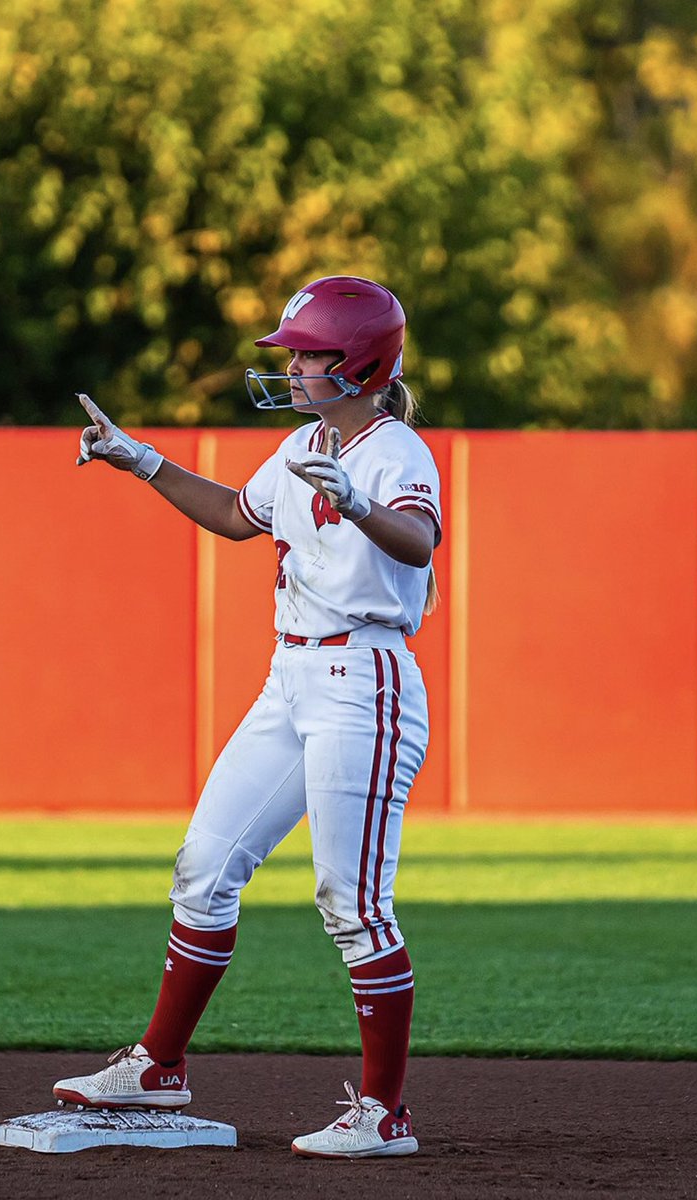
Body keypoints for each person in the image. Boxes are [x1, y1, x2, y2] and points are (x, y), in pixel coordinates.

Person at [53, 275, 441, 1159]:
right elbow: (237, 515)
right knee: (203, 867)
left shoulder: (394, 452)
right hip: (292, 677)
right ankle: (159, 1065)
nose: (292, 365)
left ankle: (385, 1116)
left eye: (306, 351)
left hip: (364, 678)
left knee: (352, 901)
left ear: (357, 362)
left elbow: (417, 542)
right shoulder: (304, 441)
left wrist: (354, 501)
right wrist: (141, 460)